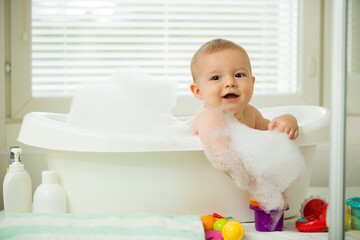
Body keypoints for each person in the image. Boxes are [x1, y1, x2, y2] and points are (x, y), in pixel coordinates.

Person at [188, 39, 299, 141]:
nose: (230, 82)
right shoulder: (207, 118)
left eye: (239, 75)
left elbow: (272, 131)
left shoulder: (251, 114)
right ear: (198, 91)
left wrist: (288, 120)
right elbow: (221, 156)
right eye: (216, 78)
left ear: (252, 84)